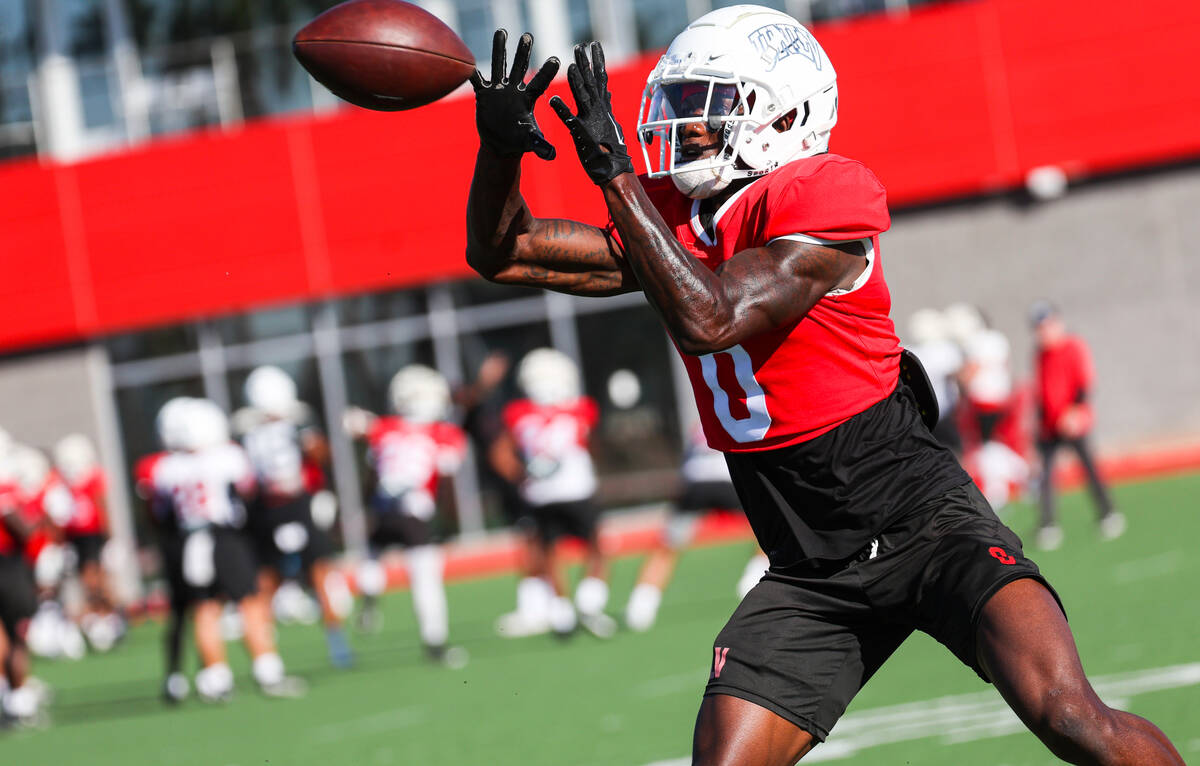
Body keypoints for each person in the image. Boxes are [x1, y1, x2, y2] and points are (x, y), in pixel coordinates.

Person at [461, 9, 1183, 764]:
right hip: (809, 563)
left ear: (786, 115)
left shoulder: (824, 192)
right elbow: (505, 254)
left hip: (922, 522)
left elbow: (713, 317)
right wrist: (498, 152)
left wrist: (616, 180)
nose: (685, 124)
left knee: (1069, 715)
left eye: (709, 103)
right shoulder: (672, 214)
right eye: (681, 102)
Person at [144, 398, 305, 701]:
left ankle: (216, 678)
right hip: (224, 538)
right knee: (250, 602)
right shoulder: (227, 457)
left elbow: (160, 512)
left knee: (205, 607)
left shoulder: (165, 467)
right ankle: (267, 670)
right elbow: (248, 491)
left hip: (188, 542)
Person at [344, 364, 468, 668]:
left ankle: (370, 596)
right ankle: (435, 642)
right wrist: (451, 520)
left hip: (384, 509)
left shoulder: (384, 429)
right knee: (425, 576)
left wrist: (367, 508)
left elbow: (372, 473)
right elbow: (447, 480)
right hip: (415, 514)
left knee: (373, 554)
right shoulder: (443, 433)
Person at [233, 365, 353, 668]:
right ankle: (267, 654)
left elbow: (321, 457)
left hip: (291, 506)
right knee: (267, 581)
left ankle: (334, 643)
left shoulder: (288, 423)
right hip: (274, 508)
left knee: (318, 573)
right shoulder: (248, 430)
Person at [490, 348, 614, 639]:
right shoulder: (581, 407)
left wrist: (522, 476)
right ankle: (589, 602)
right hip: (577, 490)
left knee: (549, 553)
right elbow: (590, 444)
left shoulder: (518, 413)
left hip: (540, 494)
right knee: (597, 547)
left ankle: (561, 611)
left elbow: (499, 455)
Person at [624, 419, 761, 632]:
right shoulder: (739, 418)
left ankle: (642, 603)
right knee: (770, 530)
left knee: (668, 546)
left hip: (695, 485)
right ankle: (753, 579)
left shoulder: (700, 424)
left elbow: (686, 466)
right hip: (727, 481)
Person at [1030, 301, 1124, 550]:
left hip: (1073, 421)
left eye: (1046, 326)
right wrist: (1040, 421)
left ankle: (1108, 513)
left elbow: (1084, 382)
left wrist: (1075, 412)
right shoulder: (1040, 353)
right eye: (1038, 328)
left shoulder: (1073, 346)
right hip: (1050, 425)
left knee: (1089, 468)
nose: (1043, 332)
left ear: (1057, 323)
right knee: (1046, 475)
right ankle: (1048, 524)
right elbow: (1041, 389)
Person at [51, 434, 126, 652]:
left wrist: (110, 538)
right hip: (75, 537)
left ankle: (109, 616)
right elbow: (58, 513)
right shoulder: (59, 481)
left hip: (93, 535)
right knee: (88, 581)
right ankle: (98, 618)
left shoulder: (93, 476)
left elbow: (102, 506)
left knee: (98, 579)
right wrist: (60, 542)